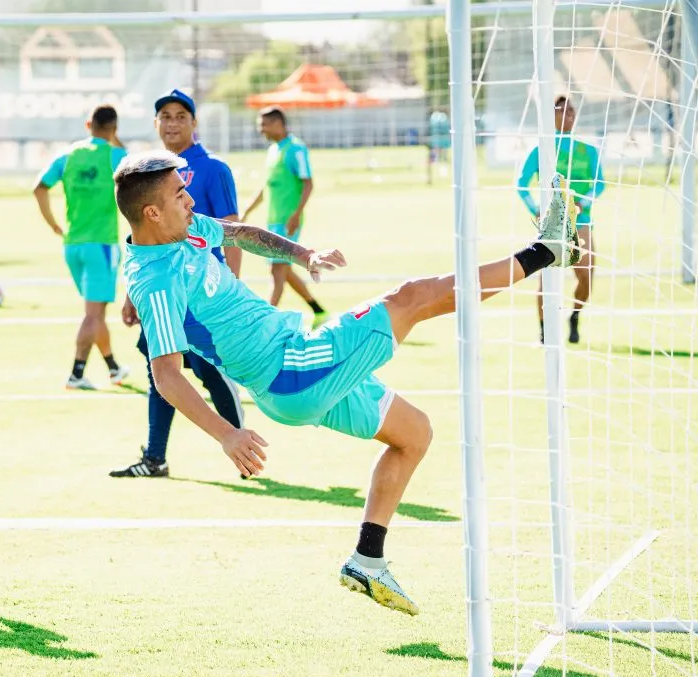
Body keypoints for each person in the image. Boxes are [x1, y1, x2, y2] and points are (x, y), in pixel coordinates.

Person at [115, 150, 580, 616]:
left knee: (414, 433)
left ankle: (367, 559)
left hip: (296, 362)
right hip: (293, 370)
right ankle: (548, 251)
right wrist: (227, 434)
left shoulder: (186, 229)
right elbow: (167, 376)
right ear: (152, 212)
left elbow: (243, 234)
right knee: (412, 297)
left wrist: (303, 253)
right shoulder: (156, 280)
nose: (190, 198)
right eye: (180, 194)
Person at [109, 89, 244, 478]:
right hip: (163, 292)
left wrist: (231, 285)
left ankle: (242, 443)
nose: (172, 123)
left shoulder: (214, 169)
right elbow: (141, 239)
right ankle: (155, 457)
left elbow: (232, 230)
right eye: (164, 117)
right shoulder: (149, 177)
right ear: (156, 124)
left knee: (211, 373)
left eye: (180, 116)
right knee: (161, 372)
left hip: (202, 295)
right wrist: (133, 293)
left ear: (194, 123)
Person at [33, 104, 129, 390]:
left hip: (72, 244)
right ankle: (76, 373)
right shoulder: (116, 156)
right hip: (101, 245)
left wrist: (52, 224)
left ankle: (113, 368)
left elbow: (39, 187)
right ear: (114, 128)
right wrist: (116, 139)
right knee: (93, 314)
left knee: (95, 313)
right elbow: (134, 164)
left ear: (89, 125)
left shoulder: (67, 156)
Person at [517, 95, 605, 344]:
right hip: (551, 225)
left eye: (571, 111)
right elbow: (521, 185)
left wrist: (582, 202)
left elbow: (600, 184)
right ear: (551, 115)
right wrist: (535, 208)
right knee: (546, 279)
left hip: (581, 221)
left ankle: (575, 315)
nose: (567, 115)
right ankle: (544, 330)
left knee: (586, 276)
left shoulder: (588, 151)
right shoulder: (542, 149)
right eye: (561, 110)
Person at [241, 106, 328, 325]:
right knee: (284, 269)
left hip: (287, 221)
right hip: (273, 220)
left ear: (278, 124)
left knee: (276, 269)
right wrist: (247, 211)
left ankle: (265, 321)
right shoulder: (273, 150)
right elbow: (266, 187)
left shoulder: (295, 149)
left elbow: (308, 182)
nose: (261, 130)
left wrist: (296, 215)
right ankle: (318, 310)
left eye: (264, 125)